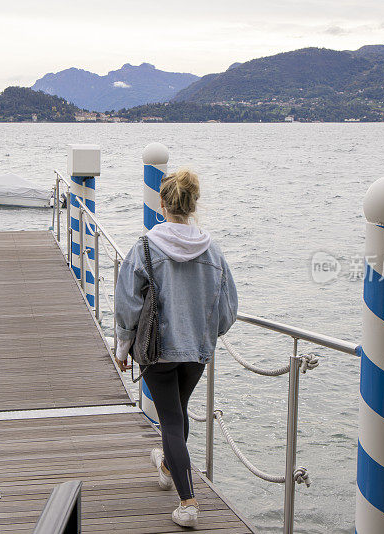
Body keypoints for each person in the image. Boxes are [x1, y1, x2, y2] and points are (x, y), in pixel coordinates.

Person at [114, 168, 238, 528]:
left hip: (157, 350)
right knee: (178, 413)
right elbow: (229, 308)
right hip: (196, 351)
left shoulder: (145, 248)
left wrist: (122, 348)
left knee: (170, 418)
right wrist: (204, 334)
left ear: (162, 204)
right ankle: (168, 465)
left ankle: (188, 503)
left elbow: (127, 305)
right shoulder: (212, 250)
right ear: (193, 204)